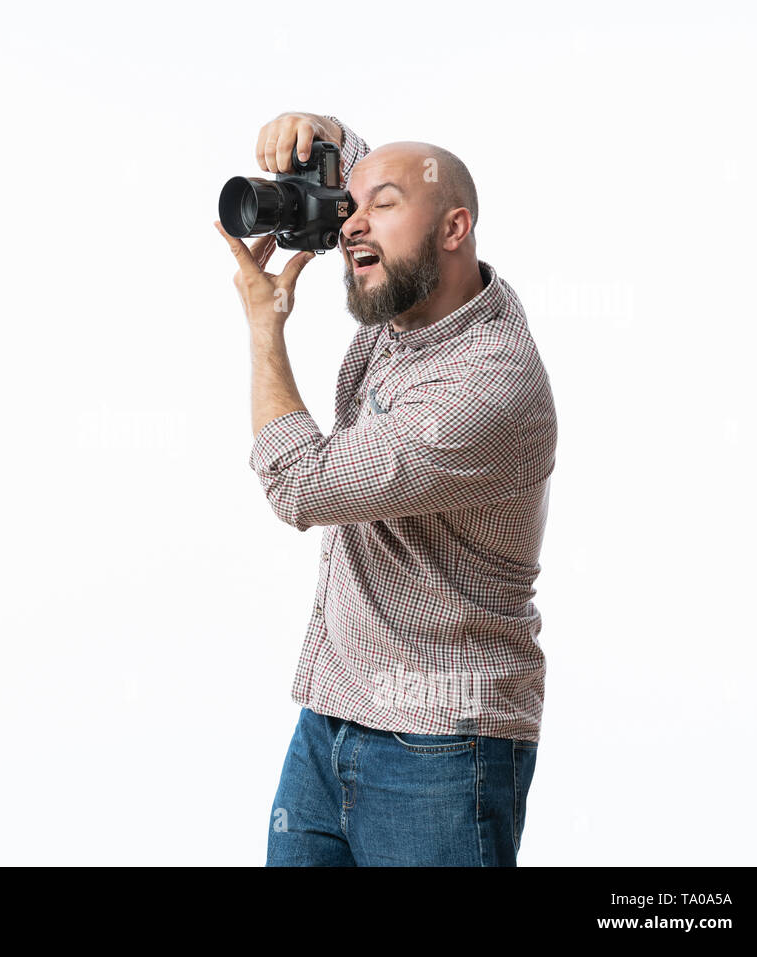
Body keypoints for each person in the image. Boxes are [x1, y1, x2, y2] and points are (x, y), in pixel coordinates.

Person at [215, 112, 557, 866]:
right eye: (349, 207)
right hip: (331, 715)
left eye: (382, 208)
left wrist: (265, 328)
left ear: (454, 228)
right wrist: (313, 130)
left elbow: (300, 486)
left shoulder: (482, 388)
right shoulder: (423, 288)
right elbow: (366, 174)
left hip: (440, 745)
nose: (350, 226)